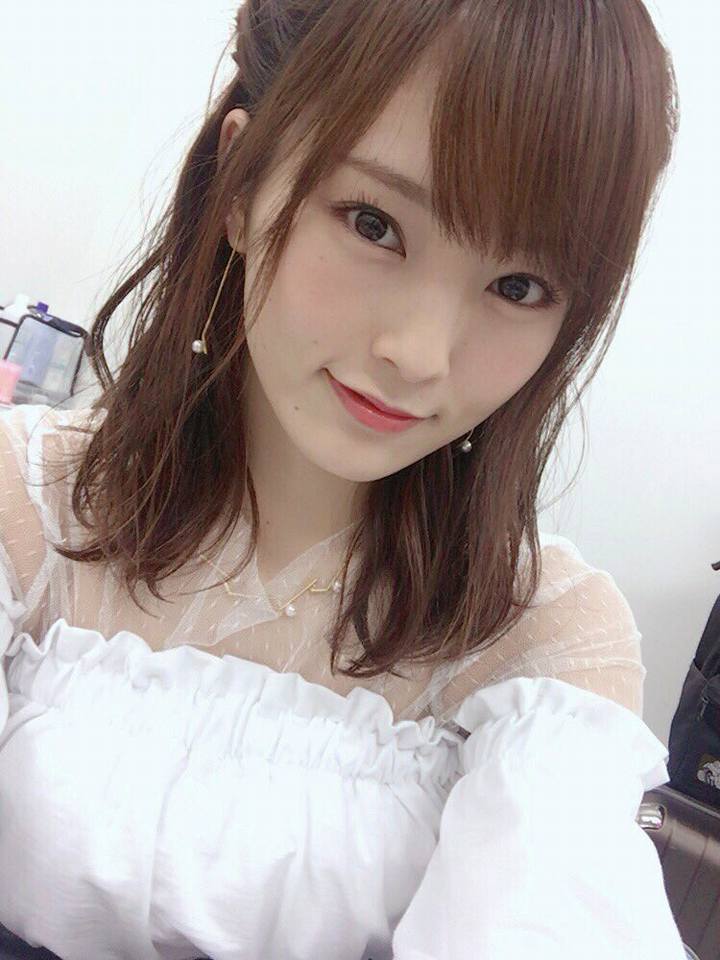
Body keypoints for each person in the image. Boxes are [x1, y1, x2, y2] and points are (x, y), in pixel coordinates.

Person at [0, 1, 688, 957]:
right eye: (375, 223)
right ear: (242, 183)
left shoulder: (543, 639)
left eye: (519, 287)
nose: (420, 353)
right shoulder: (30, 504)